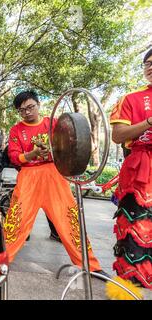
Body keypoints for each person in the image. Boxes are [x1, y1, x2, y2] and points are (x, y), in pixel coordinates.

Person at [4, 90, 104, 274]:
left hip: (54, 176)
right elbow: (14, 156)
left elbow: (72, 143)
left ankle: (91, 266)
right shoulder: (16, 130)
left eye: (30, 107)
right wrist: (32, 154)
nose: (27, 112)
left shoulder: (54, 123)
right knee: (16, 221)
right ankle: (0, 261)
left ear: (38, 104)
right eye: (22, 110)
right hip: (28, 177)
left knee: (69, 220)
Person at [107, 48, 152, 295]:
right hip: (140, 171)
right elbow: (117, 135)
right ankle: (130, 289)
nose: (151, 67)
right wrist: (148, 122)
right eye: (148, 63)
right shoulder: (131, 99)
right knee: (135, 230)